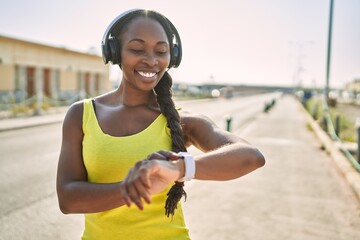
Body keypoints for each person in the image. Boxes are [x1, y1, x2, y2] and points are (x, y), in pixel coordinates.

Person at [56, 9, 265, 240]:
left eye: (161, 51)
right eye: (137, 49)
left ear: (172, 57)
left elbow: (251, 156)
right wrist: (136, 188)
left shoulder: (182, 121)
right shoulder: (81, 115)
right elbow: (68, 199)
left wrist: (180, 168)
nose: (152, 60)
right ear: (115, 52)